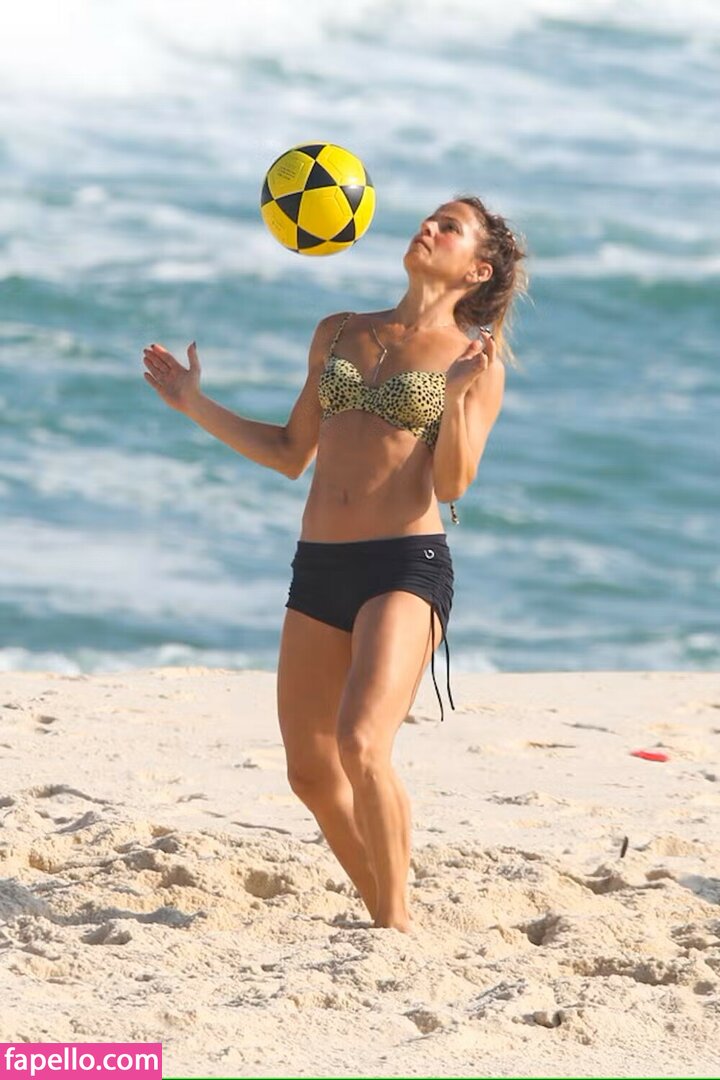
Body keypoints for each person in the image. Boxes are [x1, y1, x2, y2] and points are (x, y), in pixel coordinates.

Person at [142, 195, 528, 933]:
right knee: (312, 772)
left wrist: (451, 398)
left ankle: (395, 925)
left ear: (477, 269)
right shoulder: (340, 331)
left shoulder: (474, 361)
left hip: (405, 566)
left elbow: (452, 485)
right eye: (430, 218)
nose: (427, 227)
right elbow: (292, 452)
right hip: (319, 566)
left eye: (448, 227)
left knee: (362, 743)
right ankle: (387, 911)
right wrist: (195, 403)